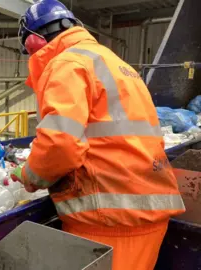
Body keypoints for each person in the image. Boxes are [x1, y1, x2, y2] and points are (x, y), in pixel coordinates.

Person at [11, 1, 185, 269]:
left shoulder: (66, 64)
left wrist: (29, 175)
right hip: (146, 209)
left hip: (108, 223)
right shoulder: (116, 63)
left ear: (34, 42)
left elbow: (60, 143)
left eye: (28, 51)